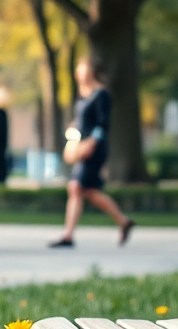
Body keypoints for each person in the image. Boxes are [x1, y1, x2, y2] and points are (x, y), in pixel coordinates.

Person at [50, 59, 134, 248]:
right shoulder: (83, 96)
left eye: (83, 69)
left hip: (93, 148)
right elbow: (80, 123)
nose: (80, 73)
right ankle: (123, 221)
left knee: (76, 187)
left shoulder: (101, 94)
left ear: (91, 71)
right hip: (81, 146)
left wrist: (90, 144)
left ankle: (68, 235)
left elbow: (102, 125)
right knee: (87, 190)